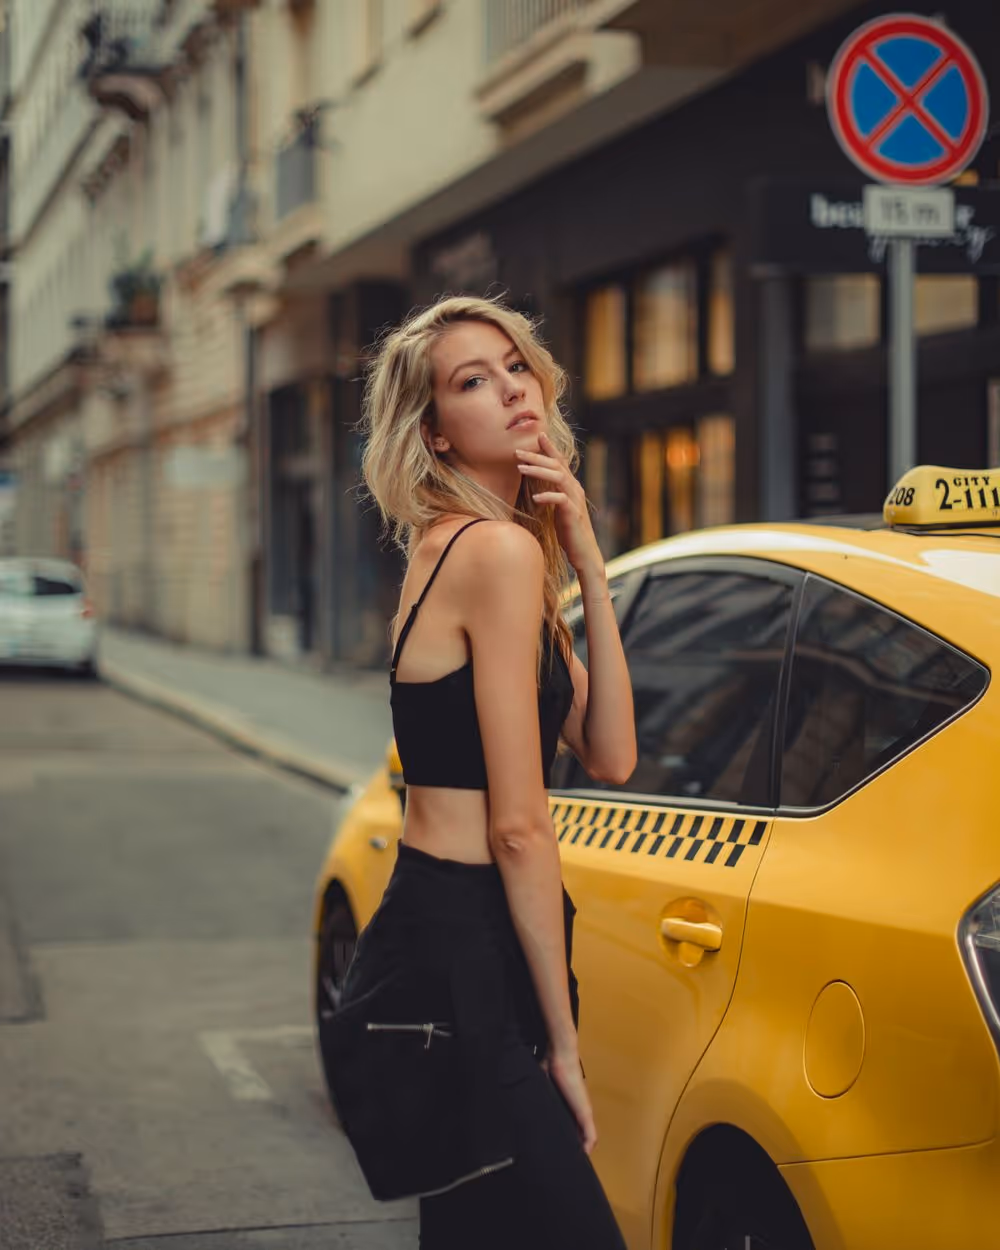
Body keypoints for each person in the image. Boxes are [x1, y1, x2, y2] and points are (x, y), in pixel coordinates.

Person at [326, 295, 636, 1249]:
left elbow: (613, 753)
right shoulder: (490, 552)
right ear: (436, 434)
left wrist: (585, 555)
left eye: (514, 366)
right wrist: (568, 1048)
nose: (510, 389)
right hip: (462, 933)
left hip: (443, 930)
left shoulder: (491, 554)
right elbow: (518, 825)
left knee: (476, 1232)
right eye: (472, 381)